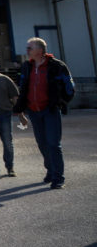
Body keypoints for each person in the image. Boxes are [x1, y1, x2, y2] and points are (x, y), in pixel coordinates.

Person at [12, 37, 75, 189]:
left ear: (39, 51)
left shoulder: (57, 66)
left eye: (29, 48)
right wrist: (20, 107)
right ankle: (51, 170)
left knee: (54, 144)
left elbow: (69, 86)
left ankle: (58, 178)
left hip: (50, 110)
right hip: (34, 111)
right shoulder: (27, 66)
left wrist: (61, 102)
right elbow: (23, 87)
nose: (26, 51)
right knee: (42, 143)